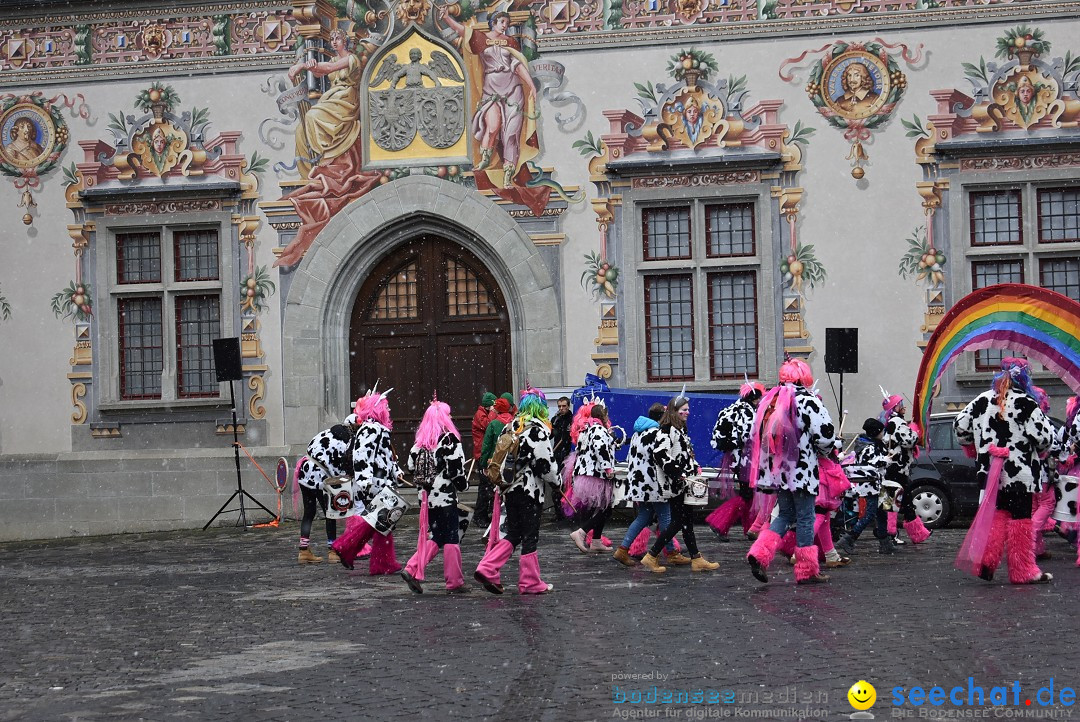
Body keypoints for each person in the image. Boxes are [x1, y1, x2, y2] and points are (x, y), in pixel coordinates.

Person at [276, 28, 380, 266]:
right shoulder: (334, 59)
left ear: (346, 40)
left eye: (337, 38)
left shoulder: (351, 59)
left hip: (348, 99)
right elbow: (325, 69)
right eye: (331, 38)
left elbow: (328, 70)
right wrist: (311, 65)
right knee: (308, 122)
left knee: (313, 117)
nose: (334, 42)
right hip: (335, 96)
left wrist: (303, 66)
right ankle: (327, 159)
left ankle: (329, 159)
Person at [954, 357, 1055, 584]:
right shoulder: (1027, 403)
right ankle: (1022, 571)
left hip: (990, 473)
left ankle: (986, 563)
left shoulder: (981, 400)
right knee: (1020, 519)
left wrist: (976, 446)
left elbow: (960, 426)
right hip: (1020, 474)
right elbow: (1045, 439)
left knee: (996, 516)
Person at [745, 358, 837, 584]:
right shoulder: (807, 400)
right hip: (802, 468)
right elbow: (825, 435)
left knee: (785, 514)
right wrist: (823, 451)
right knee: (806, 516)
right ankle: (806, 570)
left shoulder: (771, 399)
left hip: (778, 470)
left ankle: (759, 553)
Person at [474, 388, 558, 594]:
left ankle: (487, 566)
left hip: (509, 488)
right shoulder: (537, 430)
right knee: (530, 535)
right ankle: (529, 581)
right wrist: (558, 482)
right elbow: (546, 465)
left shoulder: (511, 427)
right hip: (529, 491)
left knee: (514, 532)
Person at [640, 396, 719, 573]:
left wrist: (693, 465)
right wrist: (678, 474)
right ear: (674, 411)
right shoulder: (667, 430)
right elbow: (660, 454)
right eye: (684, 409)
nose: (688, 412)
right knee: (679, 522)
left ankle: (696, 559)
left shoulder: (678, 430)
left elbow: (681, 455)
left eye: (688, 409)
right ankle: (652, 555)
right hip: (677, 484)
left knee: (685, 522)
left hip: (682, 483)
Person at [331, 388, 405, 572]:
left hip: (380, 480)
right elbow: (362, 455)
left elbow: (387, 458)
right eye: (385, 408)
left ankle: (381, 562)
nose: (388, 412)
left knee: (382, 523)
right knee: (379, 520)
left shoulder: (379, 429)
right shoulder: (371, 429)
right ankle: (346, 547)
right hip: (375, 482)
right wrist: (365, 481)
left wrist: (397, 473)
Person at [401, 400, 471, 594]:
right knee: (451, 537)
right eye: (448, 414)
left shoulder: (420, 442)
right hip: (445, 497)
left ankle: (411, 568)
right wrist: (463, 485)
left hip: (427, 498)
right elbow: (456, 470)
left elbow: (410, 466)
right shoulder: (449, 440)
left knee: (437, 536)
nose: (450, 417)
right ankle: (454, 582)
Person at [613, 403, 678, 566]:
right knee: (666, 518)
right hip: (654, 484)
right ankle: (670, 552)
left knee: (643, 516)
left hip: (639, 484)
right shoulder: (658, 434)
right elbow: (662, 458)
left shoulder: (637, 434)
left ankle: (622, 549)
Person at [293, 413, 358, 563]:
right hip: (320, 478)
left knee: (309, 513)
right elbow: (341, 469)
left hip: (304, 472)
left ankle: (303, 550)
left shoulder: (325, 433)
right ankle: (332, 551)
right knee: (331, 513)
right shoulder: (347, 443)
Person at [705, 381, 765, 541]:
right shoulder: (747, 412)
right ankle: (719, 522)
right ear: (754, 398)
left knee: (749, 495)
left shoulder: (732, 409)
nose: (761, 401)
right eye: (759, 398)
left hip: (738, 459)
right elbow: (748, 436)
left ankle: (750, 528)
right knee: (747, 495)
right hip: (746, 461)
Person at [835, 419, 895, 555]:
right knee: (870, 514)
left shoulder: (874, 444)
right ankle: (850, 538)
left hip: (879, 483)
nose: (883, 433)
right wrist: (885, 461)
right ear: (876, 432)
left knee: (882, 512)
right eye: (881, 431)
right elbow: (870, 465)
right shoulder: (869, 447)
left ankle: (885, 542)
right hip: (871, 484)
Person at [881, 394, 933, 545]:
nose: (904, 406)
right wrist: (915, 430)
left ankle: (891, 533)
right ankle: (916, 533)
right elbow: (909, 440)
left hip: (892, 468)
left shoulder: (891, 422)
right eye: (900, 404)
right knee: (902, 501)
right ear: (895, 408)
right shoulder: (897, 421)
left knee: (892, 502)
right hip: (899, 469)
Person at [568, 403, 619, 554]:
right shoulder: (598, 430)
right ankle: (581, 532)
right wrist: (608, 468)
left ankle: (596, 540)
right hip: (596, 474)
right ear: (603, 416)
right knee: (605, 509)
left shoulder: (587, 429)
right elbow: (600, 449)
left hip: (586, 474)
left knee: (602, 508)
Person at [474, 396, 514, 535]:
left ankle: (495, 519)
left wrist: (484, 463)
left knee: (491, 490)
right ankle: (509, 518)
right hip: (510, 463)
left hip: (495, 462)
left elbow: (486, 446)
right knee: (508, 491)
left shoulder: (493, 424)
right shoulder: (515, 422)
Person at [550, 396, 573, 519]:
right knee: (556, 485)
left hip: (569, 455)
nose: (561, 408)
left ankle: (568, 511)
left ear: (568, 406)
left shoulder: (573, 419)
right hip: (557, 455)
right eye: (559, 406)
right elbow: (549, 435)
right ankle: (559, 513)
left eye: (564, 406)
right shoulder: (555, 419)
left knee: (568, 485)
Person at [471, 392, 496, 466]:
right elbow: (488, 426)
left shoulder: (484, 413)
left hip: (484, 450)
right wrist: (492, 412)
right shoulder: (480, 414)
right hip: (482, 451)